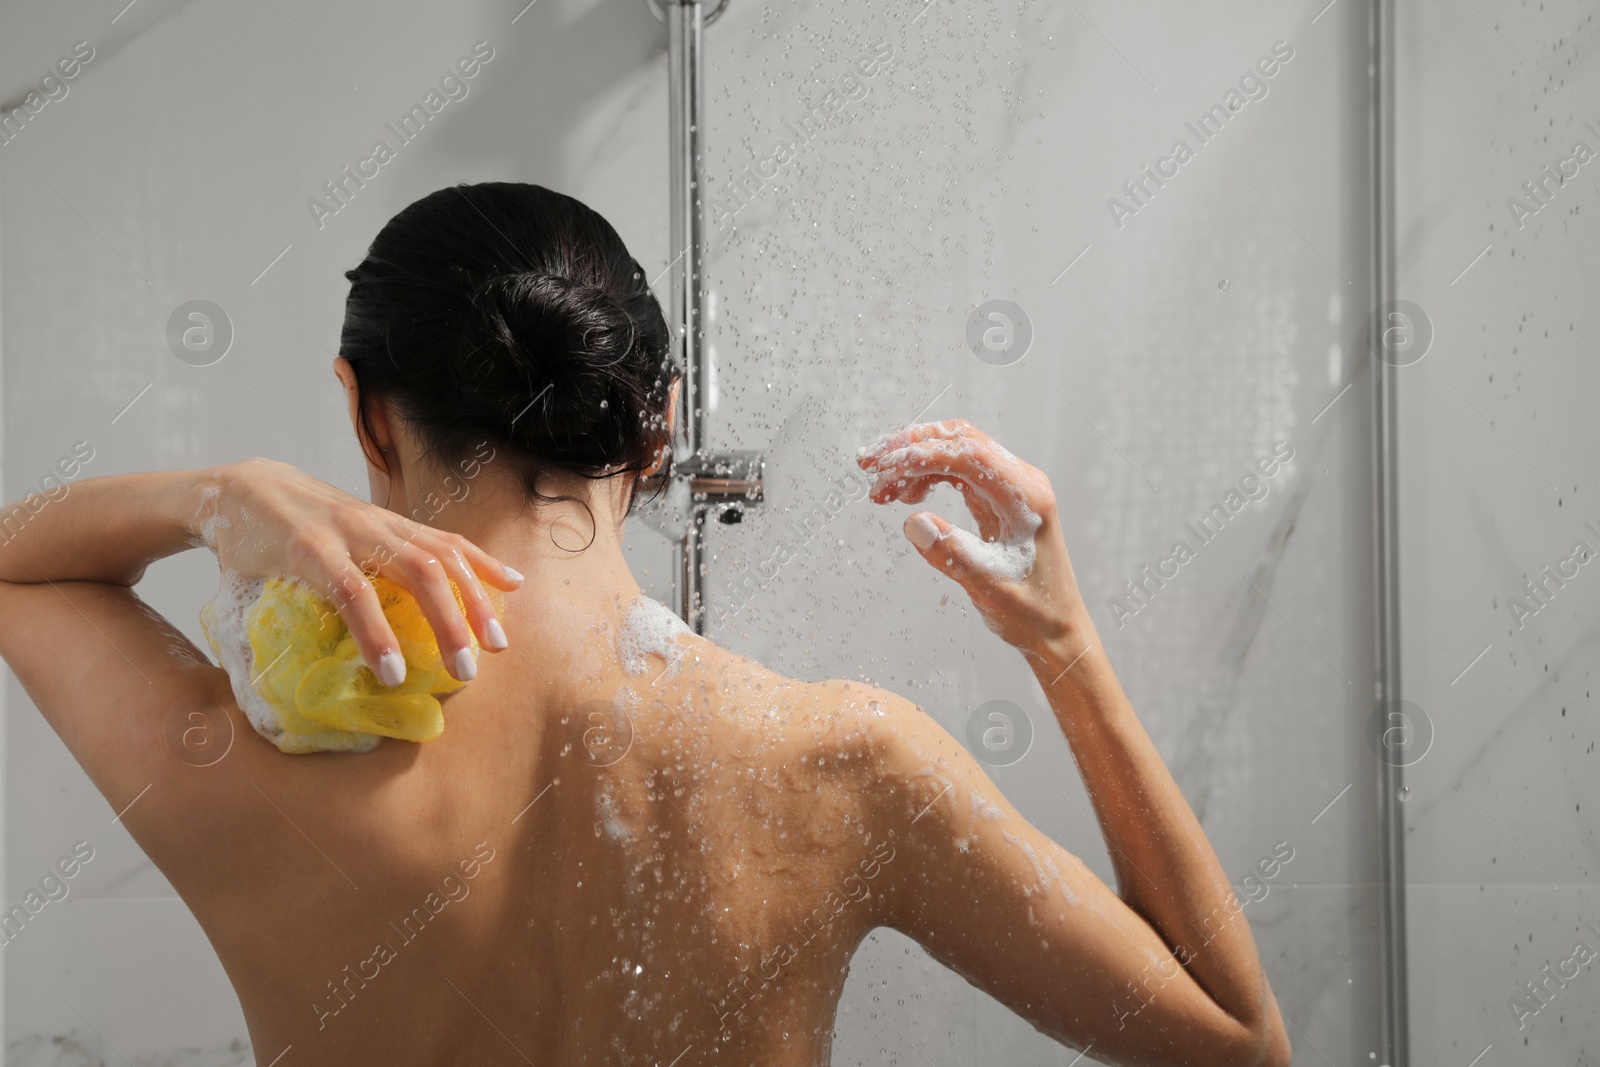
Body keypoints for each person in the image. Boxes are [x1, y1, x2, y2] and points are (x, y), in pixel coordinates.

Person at [0, 182, 1291, 1067]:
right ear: (658, 426)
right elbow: (1236, 1048)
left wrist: (213, 494)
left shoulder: (233, 758)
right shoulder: (848, 762)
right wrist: (1063, 648)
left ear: (364, 413)